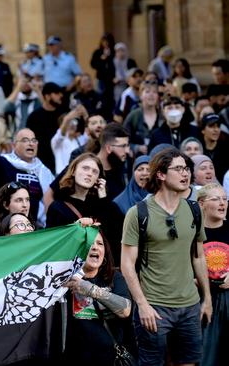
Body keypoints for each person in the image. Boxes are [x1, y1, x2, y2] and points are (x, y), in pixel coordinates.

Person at [121, 148, 212, 366]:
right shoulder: (138, 213)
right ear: (161, 174)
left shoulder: (194, 210)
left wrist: (206, 298)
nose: (186, 174)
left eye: (187, 169)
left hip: (189, 305)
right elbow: (126, 263)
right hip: (154, 306)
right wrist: (142, 305)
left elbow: (198, 257)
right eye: (179, 169)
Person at [62, 231, 132, 365]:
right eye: (89, 243)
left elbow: (125, 310)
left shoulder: (114, 277)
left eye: (100, 244)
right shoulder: (63, 280)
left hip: (110, 359)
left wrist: (89, 288)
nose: (95, 247)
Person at [196, 183, 229, 366]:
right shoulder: (193, 233)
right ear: (201, 204)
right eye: (216, 199)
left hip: (228, 297)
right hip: (202, 300)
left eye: (225, 198)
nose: (222, 203)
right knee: (207, 356)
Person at [26, 82, 66, 173]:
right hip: (41, 163)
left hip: (61, 160)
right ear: (47, 96)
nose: (60, 96)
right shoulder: (34, 117)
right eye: (56, 93)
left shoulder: (63, 115)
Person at [123, 80, 161, 156]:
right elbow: (123, 140)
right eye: (147, 92)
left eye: (154, 92)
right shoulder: (134, 115)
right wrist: (136, 148)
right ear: (140, 95)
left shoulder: (163, 117)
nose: (151, 95)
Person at [51, 103, 88, 173]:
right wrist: (67, 118)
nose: (72, 125)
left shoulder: (79, 140)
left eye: (74, 122)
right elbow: (61, 133)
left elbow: (88, 132)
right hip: (61, 176)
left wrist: (85, 115)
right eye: (69, 122)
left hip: (76, 175)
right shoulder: (57, 141)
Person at [89, 33, 116, 115]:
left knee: (111, 98)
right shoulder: (98, 52)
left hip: (112, 80)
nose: (106, 43)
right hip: (101, 78)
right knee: (100, 96)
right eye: (104, 41)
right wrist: (102, 58)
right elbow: (93, 64)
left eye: (107, 41)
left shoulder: (114, 52)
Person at [199, 113, 229, 180]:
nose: (216, 130)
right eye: (211, 126)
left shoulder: (226, 149)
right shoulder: (197, 149)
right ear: (203, 130)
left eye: (218, 126)